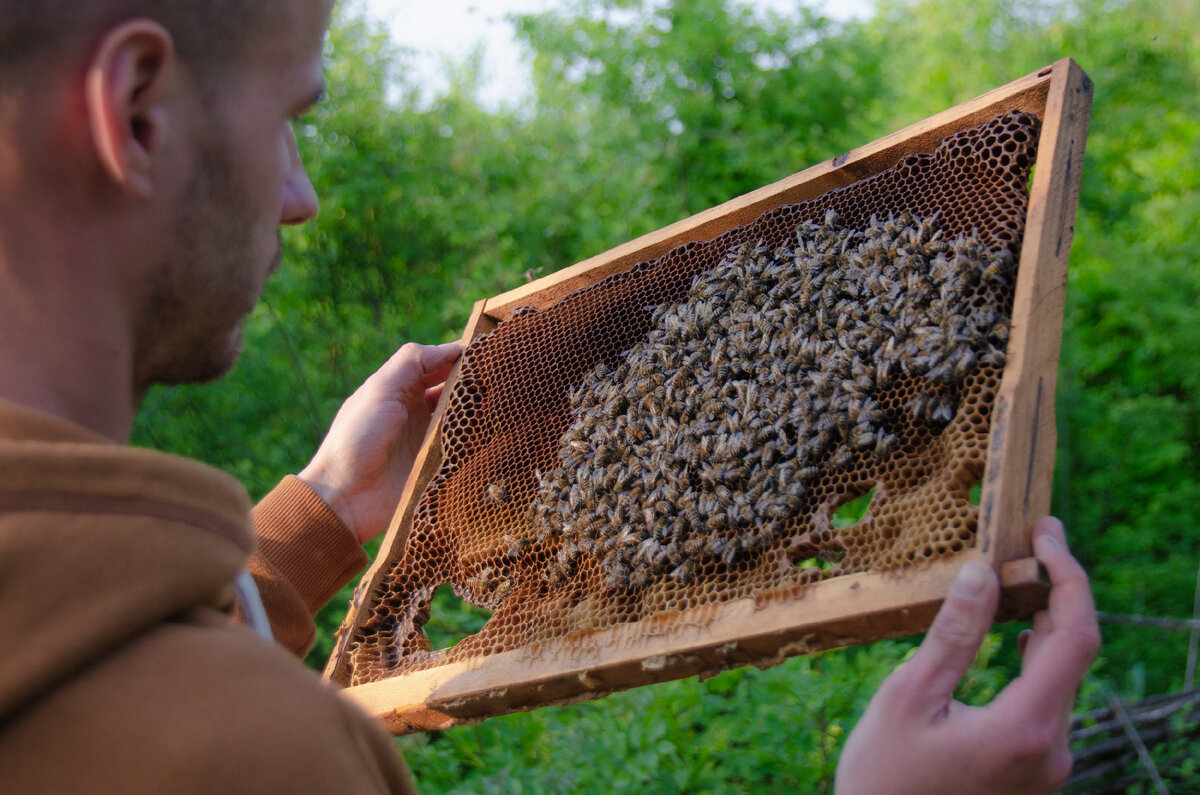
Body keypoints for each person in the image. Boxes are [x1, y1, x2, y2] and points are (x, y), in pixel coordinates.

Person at [0, 1, 1098, 792]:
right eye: (293, 113)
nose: (300, 196)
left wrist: (320, 520)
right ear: (137, 110)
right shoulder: (256, 758)